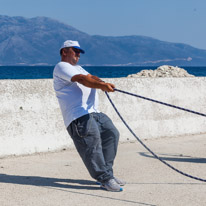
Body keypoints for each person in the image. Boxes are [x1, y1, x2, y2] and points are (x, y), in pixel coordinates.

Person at [53, 40, 125, 192]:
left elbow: (91, 77)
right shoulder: (62, 67)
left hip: (94, 112)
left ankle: (108, 174)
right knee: (92, 145)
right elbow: (82, 79)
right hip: (78, 115)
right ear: (64, 51)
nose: (79, 54)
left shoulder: (77, 67)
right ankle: (104, 179)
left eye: (80, 52)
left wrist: (101, 82)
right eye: (75, 50)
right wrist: (100, 85)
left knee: (111, 134)